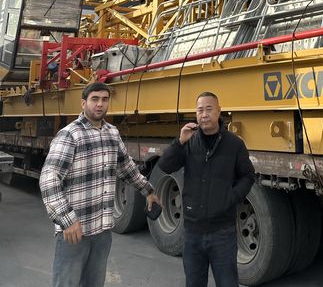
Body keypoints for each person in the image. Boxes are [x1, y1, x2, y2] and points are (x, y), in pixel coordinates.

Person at [39, 82, 160, 287]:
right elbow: (49, 179)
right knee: (67, 283)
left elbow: (126, 168)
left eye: (104, 99)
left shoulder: (112, 133)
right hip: (75, 231)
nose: (100, 104)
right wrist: (67, 220)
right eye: (94, 99)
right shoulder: (70, 135)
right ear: (83, 103)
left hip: (102, 230)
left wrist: (148, 191)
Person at [158, 91, 255, 287]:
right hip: (192, 233)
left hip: (223, 233)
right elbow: (165, 166)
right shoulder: (189, 142)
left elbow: (248, 176)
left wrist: (230, 198)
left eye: (209, 109)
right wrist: (179, 142)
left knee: (227, 283)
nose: (204, 115)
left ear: (219, 111)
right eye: (200, 110)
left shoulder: (234, 144)